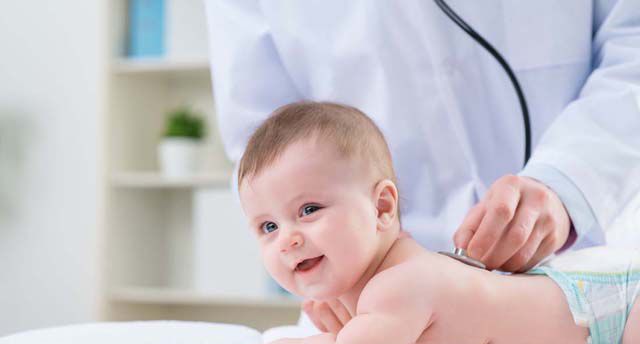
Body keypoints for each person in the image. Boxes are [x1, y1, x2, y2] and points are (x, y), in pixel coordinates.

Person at [232, 101, 640, 344]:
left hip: (605, 316)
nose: (288, 238)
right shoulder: (394, 290)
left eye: (309, 210)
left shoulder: (398, 284)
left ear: (382, 207)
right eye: (268, 226)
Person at [205, 0, 640, 274]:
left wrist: (567, 182)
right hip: (360, 283)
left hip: (578, 260)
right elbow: (263, 146)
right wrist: (321, 268)